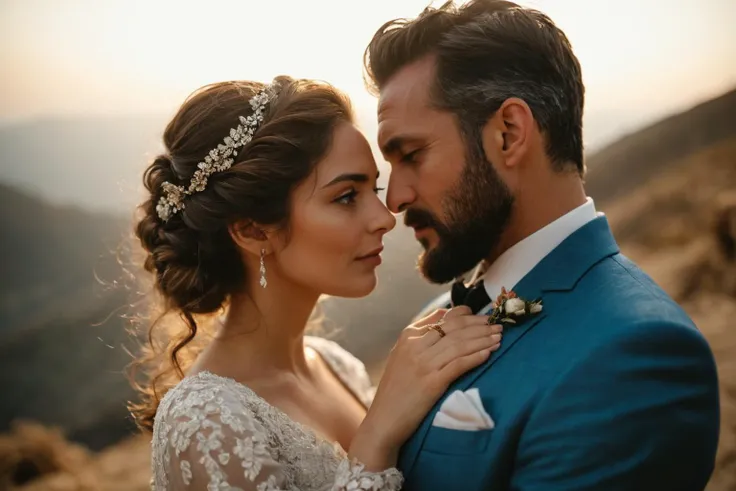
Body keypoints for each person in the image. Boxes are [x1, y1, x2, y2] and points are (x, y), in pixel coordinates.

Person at [363, 0, 720, 489]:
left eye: (411, 155)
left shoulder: (637, 358)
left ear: (508, 134)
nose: (397, 198)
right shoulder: (443, 313)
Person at [133, 76, 503, 490]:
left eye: (374, 188)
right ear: (253, 231)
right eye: (346, 196)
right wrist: (378, 432)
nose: (384, 217)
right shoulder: (204, 420)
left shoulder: (336, 365)